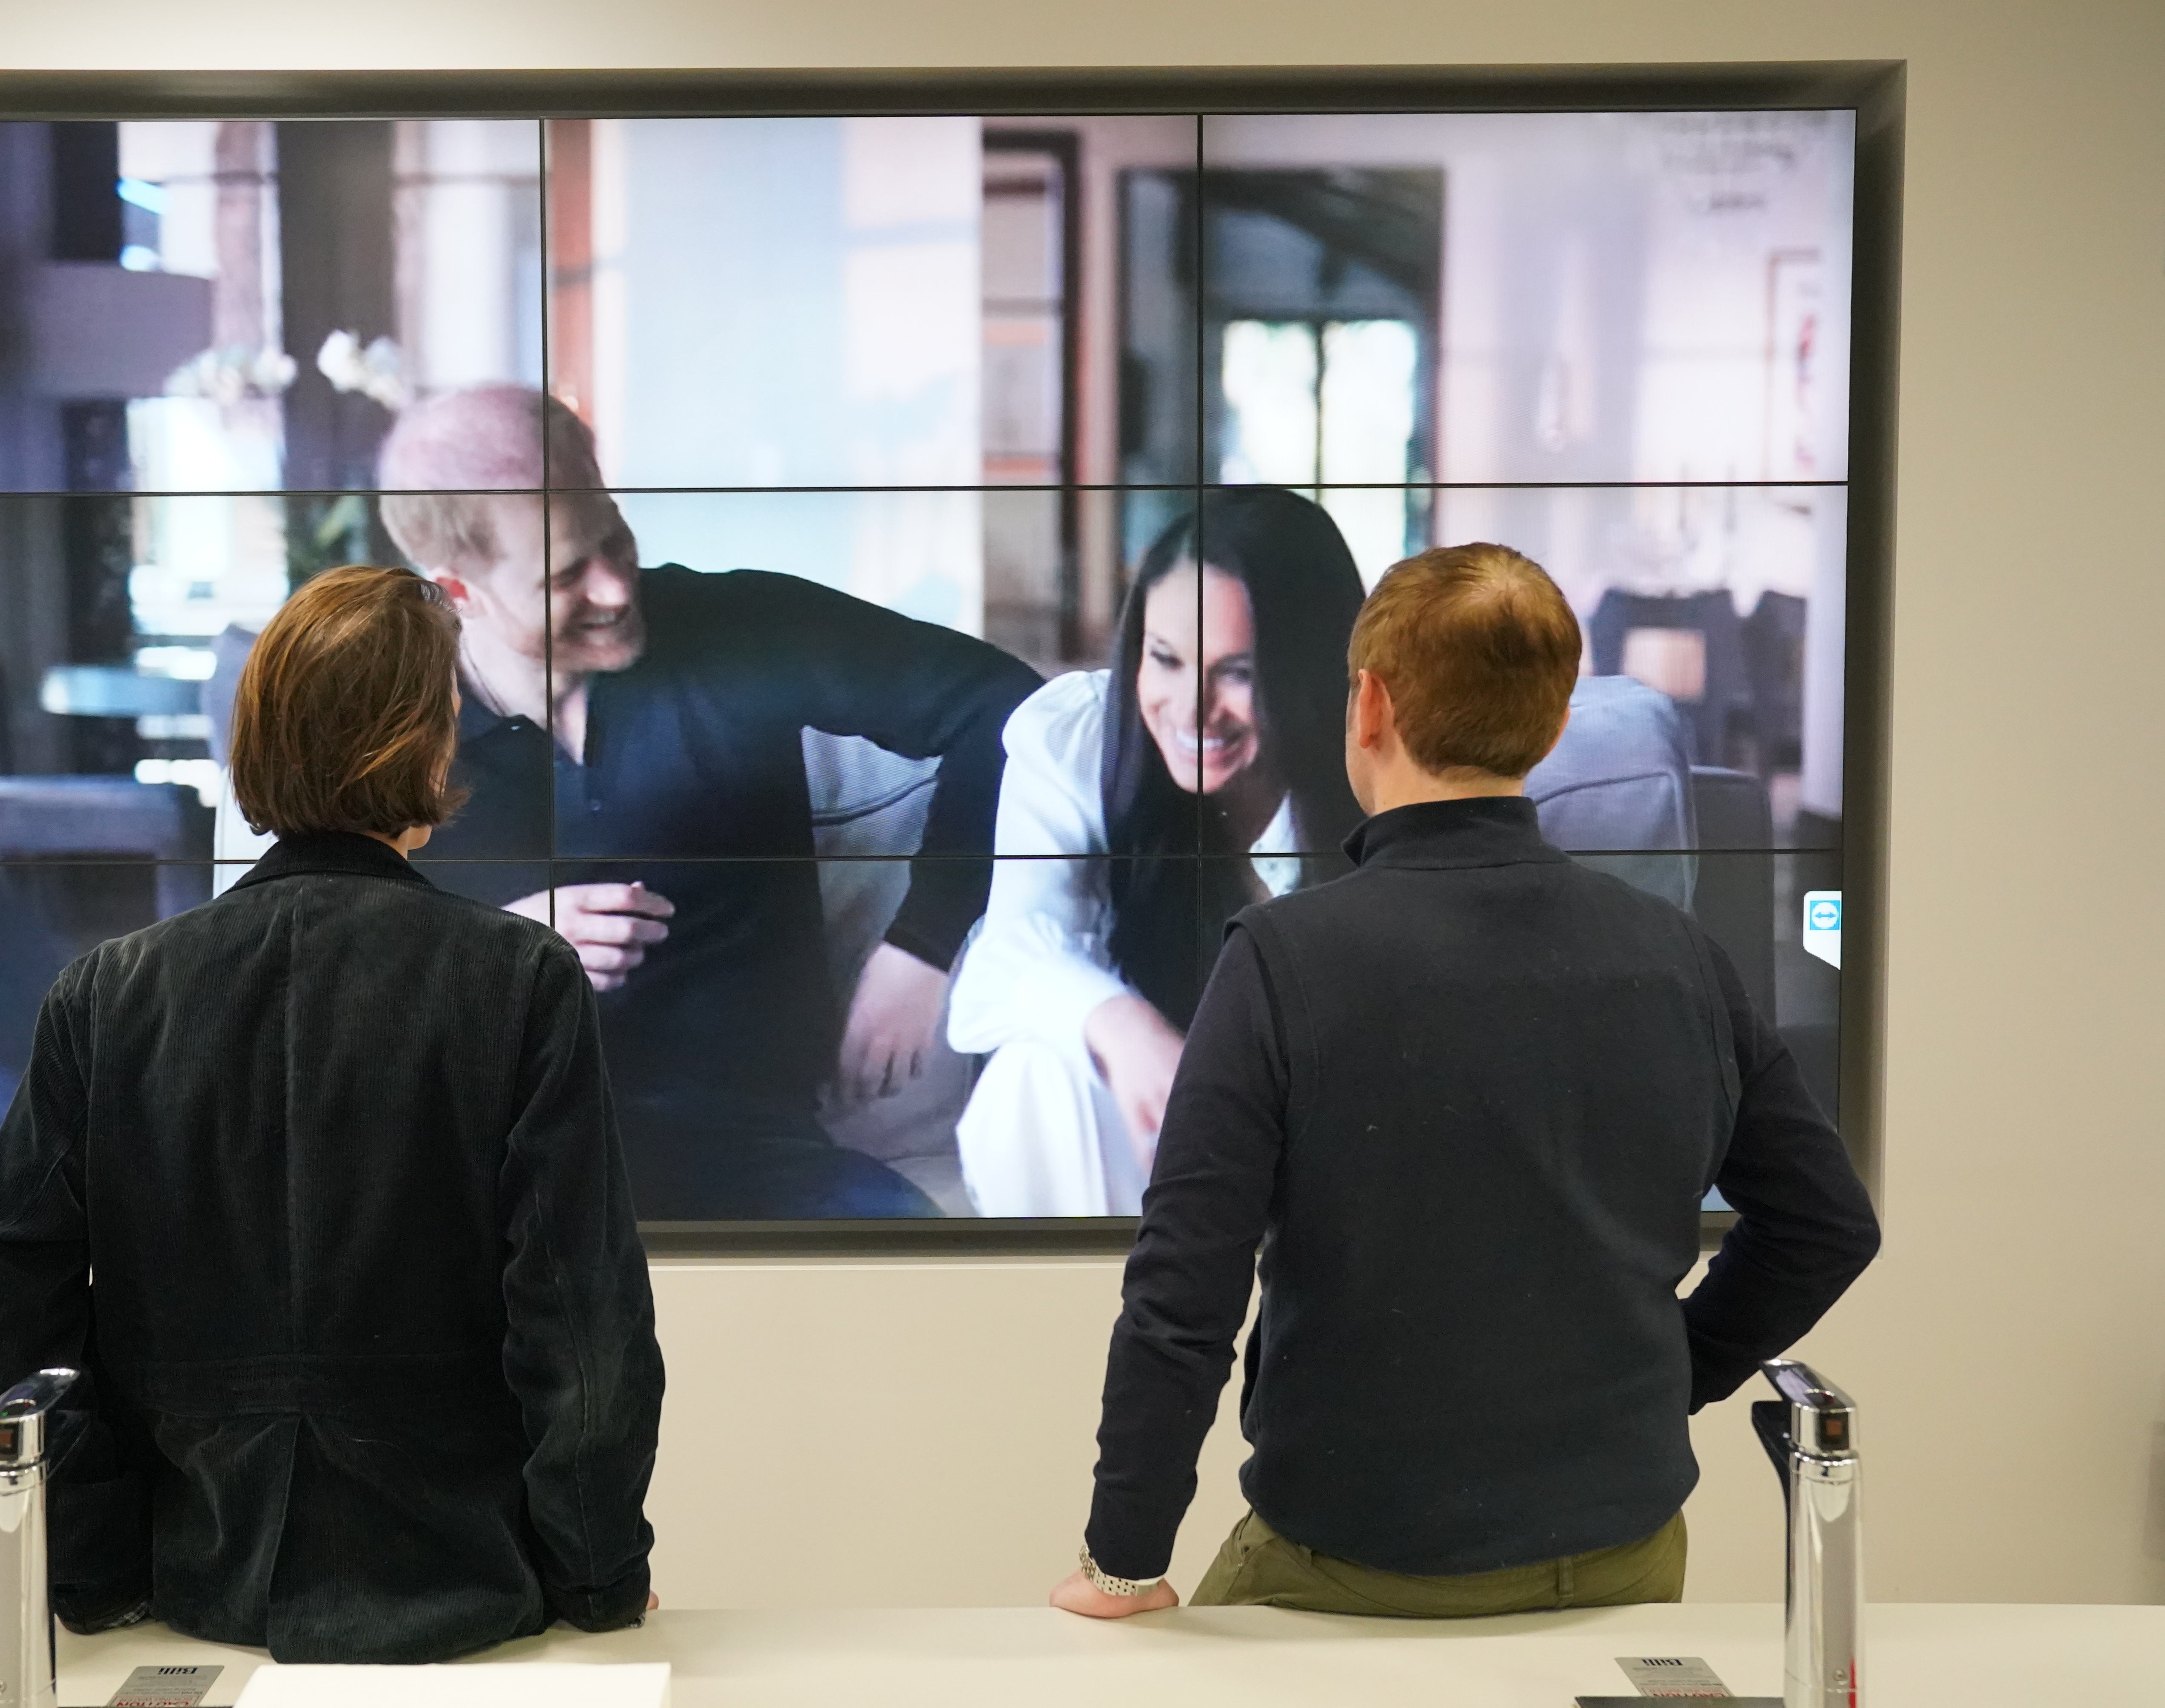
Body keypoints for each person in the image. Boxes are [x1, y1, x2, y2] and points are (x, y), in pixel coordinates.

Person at [1050, 544, 1880, 1620]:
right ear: (1552, 715)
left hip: (1351, 1568)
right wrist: (1674, 1373)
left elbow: (1184, 1293)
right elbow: (1826, 1224)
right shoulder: (1679, 955)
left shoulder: (1278, 959)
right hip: (1625, 1557)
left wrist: (1124, 1560)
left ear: (1370, 706)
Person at [0, 567, 663, 1663]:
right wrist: (597, 1576)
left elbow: (6, 1339)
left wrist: (99, 1573)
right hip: (466, 1607)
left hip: (189, 1597)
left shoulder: (107, 992)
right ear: (430, 745)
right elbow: (583, 1330)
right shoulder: (519, 977)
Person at [372, 385, 1043, 1220]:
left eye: (614, 537)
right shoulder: (386, 732)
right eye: (568, 572)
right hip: (496, 1184)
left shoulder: (738, 627)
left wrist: (925, 941)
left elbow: (1013, 710)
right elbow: (314, 984)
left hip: (760, 1161)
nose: (618, 588)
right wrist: (497, 952)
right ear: (459, 590)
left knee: (933, 1287)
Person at [948, 489, 1366, 1216]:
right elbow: (1003, 966)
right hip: (1147, 1157)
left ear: (1309, 672)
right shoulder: (1078, 739)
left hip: (1323, 1154)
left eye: (1237, 672)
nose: (1191, 708)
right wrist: (1126, 1029)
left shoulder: (1381, 767)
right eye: (1166, 659)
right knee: (1033, 1077)